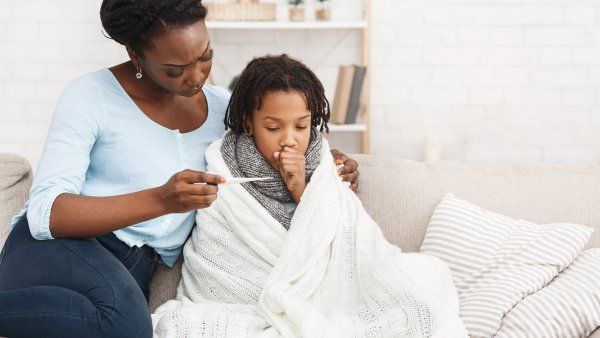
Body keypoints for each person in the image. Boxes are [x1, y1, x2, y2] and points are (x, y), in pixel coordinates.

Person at [0, 1, 359, 337]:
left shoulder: (225, 110)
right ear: (135, 55)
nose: (196, 77)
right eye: (175, 70)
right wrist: (161, 199)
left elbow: (276, 144)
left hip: (130, 270)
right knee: (126, 322)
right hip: (61, 249)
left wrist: (326, 162)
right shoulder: (91, 96)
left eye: (206, 57)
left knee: (118, 321)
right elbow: (46, 213)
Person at [152, 54, 465, 337]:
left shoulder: (326, 164)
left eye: (301, 126)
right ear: (249, 123)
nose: (290, 140)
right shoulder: (220, 167)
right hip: (246, 303)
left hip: (328, 296)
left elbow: (346, 241)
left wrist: (301, 186)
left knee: (425, 282)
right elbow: (219, 258)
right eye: (273, 128)